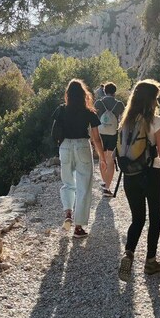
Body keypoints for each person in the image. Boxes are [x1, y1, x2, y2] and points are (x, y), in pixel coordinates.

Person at [117, 79, 160, 281]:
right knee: (155, 217)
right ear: (151, 99)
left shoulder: (125, 122)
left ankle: (129, 253)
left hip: (130, 175)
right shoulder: (155, 121)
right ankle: (150, 261)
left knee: (137, 219)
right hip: (151, 174)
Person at [51, 79, 108, 239]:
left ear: (68, 95)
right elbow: (96, 139)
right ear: (84, 95)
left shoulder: (61, 110)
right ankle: (78, 227)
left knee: (68, 183)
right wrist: (103, 158)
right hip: (83, 146)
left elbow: (54, 132)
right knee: (84, 187)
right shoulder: (89, 112)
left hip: (65, 147)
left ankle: (68, 212)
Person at [94, 82, 126, 197]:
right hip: (113, 134)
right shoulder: (119, 104)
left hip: (100, 134)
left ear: (105, 90)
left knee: (102, 158)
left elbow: (93, 119)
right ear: (114, 92)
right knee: (110, 159)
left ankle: (104, 183)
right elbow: (123, 121)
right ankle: (107, 187)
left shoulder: (98, 103)